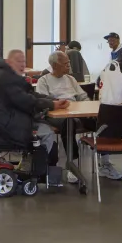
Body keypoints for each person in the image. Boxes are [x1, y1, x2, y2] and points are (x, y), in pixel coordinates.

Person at [0, 50, 68, 163]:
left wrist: (53, 100)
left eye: (23, 61)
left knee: (46, 127)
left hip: (7, 119)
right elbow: (27, 101)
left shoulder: (7, 75)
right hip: (6, 125)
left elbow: (30, 94)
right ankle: (38, 170)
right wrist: (52, 104)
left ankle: (34, 165)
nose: (22, 64)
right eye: (18, 61)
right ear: (9, 62)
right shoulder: (7, 79)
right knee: (48, 133)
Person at [36, 50, 99, 182]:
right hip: (56, 116)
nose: (69, 66)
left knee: (99, 120)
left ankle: (104, 159)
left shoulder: (71, 79)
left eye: (69, 63)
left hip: (74, 112)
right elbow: (42, 102)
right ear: (55, 65)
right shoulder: (44, 81)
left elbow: (82, 96)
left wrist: (87, 106)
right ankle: (72, 164)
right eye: (66, 64)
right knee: (68, 123)